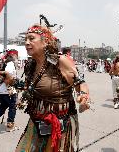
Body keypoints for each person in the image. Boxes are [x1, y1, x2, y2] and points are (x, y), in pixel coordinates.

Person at [15, 23, 90, 152]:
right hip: (36, 122)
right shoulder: (30, 65)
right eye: (25, 39)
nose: (27, 43)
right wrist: (12, 81)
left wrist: (83, 96)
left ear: (45, 42)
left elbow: (80, 84)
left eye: (31, 38)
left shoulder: (59, 61)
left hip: (59, 126)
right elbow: (30, 88)